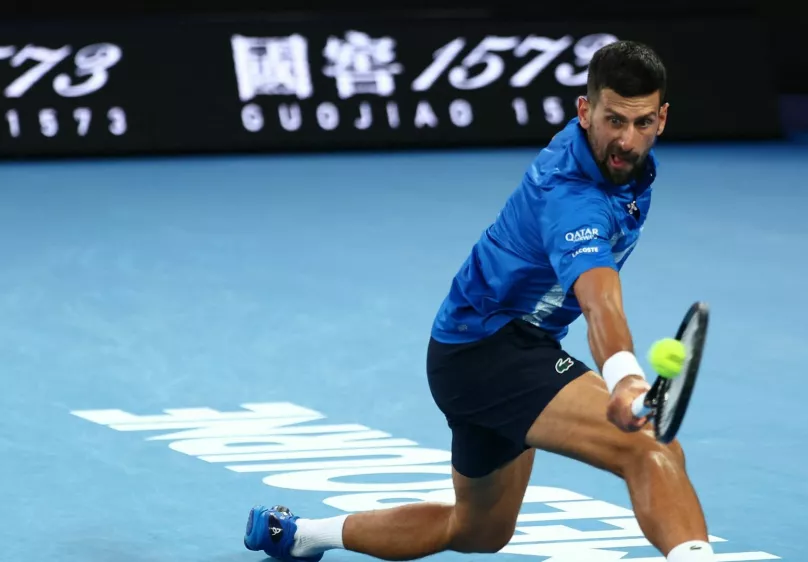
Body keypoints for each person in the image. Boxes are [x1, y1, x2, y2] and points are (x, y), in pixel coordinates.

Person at [243, 39, 714, 562]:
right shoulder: (571, 198)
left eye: (642, 122)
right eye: (613, 121)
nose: (627, 140)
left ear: (662, 119)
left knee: (478, 530)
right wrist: (625, 378)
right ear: (585, 112)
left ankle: (301, 535)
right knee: (651, 448)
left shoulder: (618, 166)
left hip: (474, 350)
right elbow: (599, 302)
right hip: (492, 350)